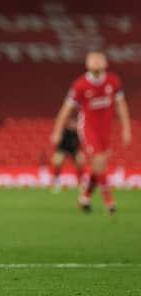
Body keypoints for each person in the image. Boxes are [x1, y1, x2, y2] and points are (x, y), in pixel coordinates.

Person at [51, 51, 132, 214]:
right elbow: (66, 110)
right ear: (87, 64)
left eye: (99, 59)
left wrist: (126, 128)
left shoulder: (113, 81)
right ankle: (109, 201)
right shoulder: (80, 85)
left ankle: (85, 198)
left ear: (106, 63)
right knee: (99, 160)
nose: (95, 62)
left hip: (106, 129)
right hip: (88, 128)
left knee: (98, 166)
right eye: (92, 59)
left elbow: (121, 105)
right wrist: (57, 130)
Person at [50, 115, 84, 192]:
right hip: (62, 149)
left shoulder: (78, 133)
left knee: (80, 160)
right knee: (57, 161)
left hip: (73, 150)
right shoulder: (63, 131)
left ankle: (81, 182)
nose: (75, 125)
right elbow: (56, 142)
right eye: (73, 123)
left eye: (76, 123)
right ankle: (56, 181)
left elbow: (80, 144)